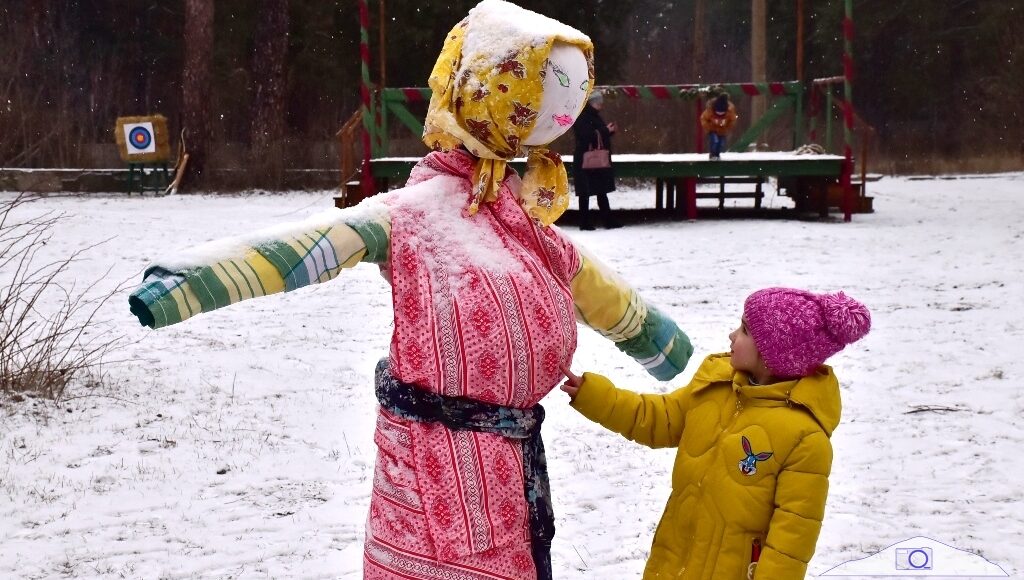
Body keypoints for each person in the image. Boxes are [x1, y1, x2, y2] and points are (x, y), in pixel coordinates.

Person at [128, 1, 694, 579]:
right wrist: (193, 284)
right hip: (436, 464)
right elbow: (312, 247)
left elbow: (583, 278)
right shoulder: (411, 217)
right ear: (488, 90)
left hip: (509, 461)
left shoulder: (514, 215)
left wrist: (654, 339)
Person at [561, 287, 871, 580]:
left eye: (745, 331)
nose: (732, 336)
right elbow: (658, 418)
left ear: (773, 353)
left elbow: (792, 539)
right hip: (674, 558)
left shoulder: (805, 439)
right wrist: (594, 395)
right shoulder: (716, 387)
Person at [572, 91, 621, 230]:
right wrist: (605, 130)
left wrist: (608, 131)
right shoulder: (583, 116)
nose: (601, 105)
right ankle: (586, 222)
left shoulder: (591, 115)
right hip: (586, 158)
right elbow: (586, 136)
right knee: (586, 192)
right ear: (593, 103)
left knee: (600, 190)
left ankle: (606, 220)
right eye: (599, 102)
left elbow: (596, 134)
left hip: (591, 158)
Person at [700, 92, 738, 160]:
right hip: (712, 129)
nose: (720, 114)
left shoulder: (730, 113)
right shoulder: (709, 111)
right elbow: (703, 118)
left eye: (722, 113)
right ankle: (712, 154)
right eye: (718, 112)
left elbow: (733, 120)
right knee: (714, 141)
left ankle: (717, 154)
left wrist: (727, 127)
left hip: (722, 130)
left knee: (721, 143)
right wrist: (708, 127)